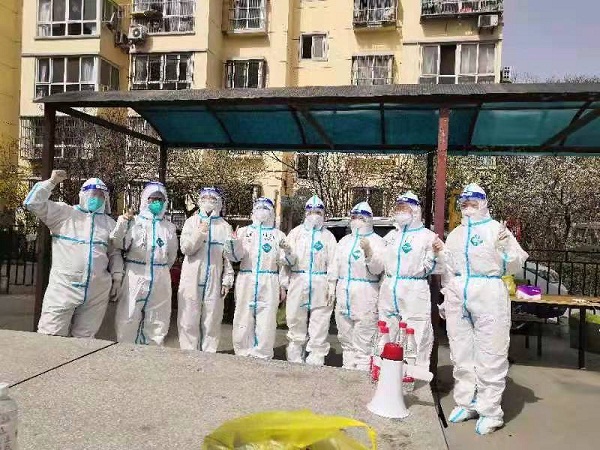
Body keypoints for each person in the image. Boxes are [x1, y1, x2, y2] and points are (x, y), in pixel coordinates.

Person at [440, 183, 528, 435]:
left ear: (484, 203)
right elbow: (448, 268)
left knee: (491, 352)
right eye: (465, 204)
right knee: (461, 352)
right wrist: (447, 295)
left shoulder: (496, 230)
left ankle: (490, 411)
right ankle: (466, 402)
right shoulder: (455, 234)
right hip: (459, 294)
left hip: (488, 293)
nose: (468, 208)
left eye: (473, 203)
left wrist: (505, 249)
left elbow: (515, 264)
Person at [23, 170, 123, 337]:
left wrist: (117, 278)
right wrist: (51, 182)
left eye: (100, 195)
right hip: (64, 287)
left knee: (85, 338)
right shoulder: (65, 213)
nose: (96, 198)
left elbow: (114, 254)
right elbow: (32, 203)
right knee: (50, 334)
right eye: (92, 194)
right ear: (83, 194)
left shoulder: (109, 224)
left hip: (96, 290)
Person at [379, 191, 444, 367]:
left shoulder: (427, 236)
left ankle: (414, 375)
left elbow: (440, 266)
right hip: (389, 288)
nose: (400, 212)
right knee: (386, 332)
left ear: (415, 211)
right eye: (398, 208)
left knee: (415, 333)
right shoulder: (392, 236)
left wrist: (436, 253)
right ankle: (386, 372)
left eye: (405, 208)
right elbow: (379, 262)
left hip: (414, 290)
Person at [110, 181, 178, 346]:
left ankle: (152, 353)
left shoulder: (169, 227)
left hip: (160, 276)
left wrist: (160, 269)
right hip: (135, 274)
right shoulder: (134, 222)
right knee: (128, 314)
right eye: (153, 199)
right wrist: (122, 224)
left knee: (158, 318)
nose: (157, 202)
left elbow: (171, 255)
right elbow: (118, 243)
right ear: (145, 200)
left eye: (160, 200)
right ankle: (126, 351)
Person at [225, 197, 291, 359]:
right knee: (243, 315)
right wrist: (233, 242)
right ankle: (242, 351)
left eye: (266, 208)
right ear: (253, 210)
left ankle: (263, 353)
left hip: (269, 279)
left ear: (272, 212)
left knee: (267, 318)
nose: (262, 210)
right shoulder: (243, 232)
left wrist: (283, 285)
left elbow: (283, 263)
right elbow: (235, 257)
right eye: (259, 207)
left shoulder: (278, 235)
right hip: (247, 278)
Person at [281, 195, 337, 366]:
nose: (315, 215)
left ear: (323, 214)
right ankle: (295, 352)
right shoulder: (296, 233)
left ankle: (316, 355)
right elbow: (286, 262)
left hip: (320, 281)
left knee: (320, 319)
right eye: (311, 211)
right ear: (305, 213)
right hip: (298, 278)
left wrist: (332, 286)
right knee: (295, 316)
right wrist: (284, 282)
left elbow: (333, 263)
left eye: (318, 212)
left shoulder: (328, 236)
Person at [177, 187, 234, 352]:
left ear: (219, 202)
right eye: (205, 198)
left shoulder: (225, 226)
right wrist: (200, 233)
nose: (208, 201)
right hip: (192, 276)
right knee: (189, 317)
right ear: (200, 201)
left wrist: (227, 280)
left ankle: (209, 354)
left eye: (213, 198)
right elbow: (185, 249)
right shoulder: (191, 222)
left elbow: (228, 257)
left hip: (214, 277)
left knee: (212, 318)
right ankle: (188, 352)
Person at [330, 202, 385, 371]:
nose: (357, 221)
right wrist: (331, 285)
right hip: (344, 295)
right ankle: (348, 375)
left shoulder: (378, 242)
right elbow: (335, 265)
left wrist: (369, 253)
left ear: (369, 219)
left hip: (366, 295)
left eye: (361, 217)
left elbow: (378, 269)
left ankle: (361, 377)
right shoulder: (344, 241)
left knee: (364, 344)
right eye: (354, 217)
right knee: (346, 341)